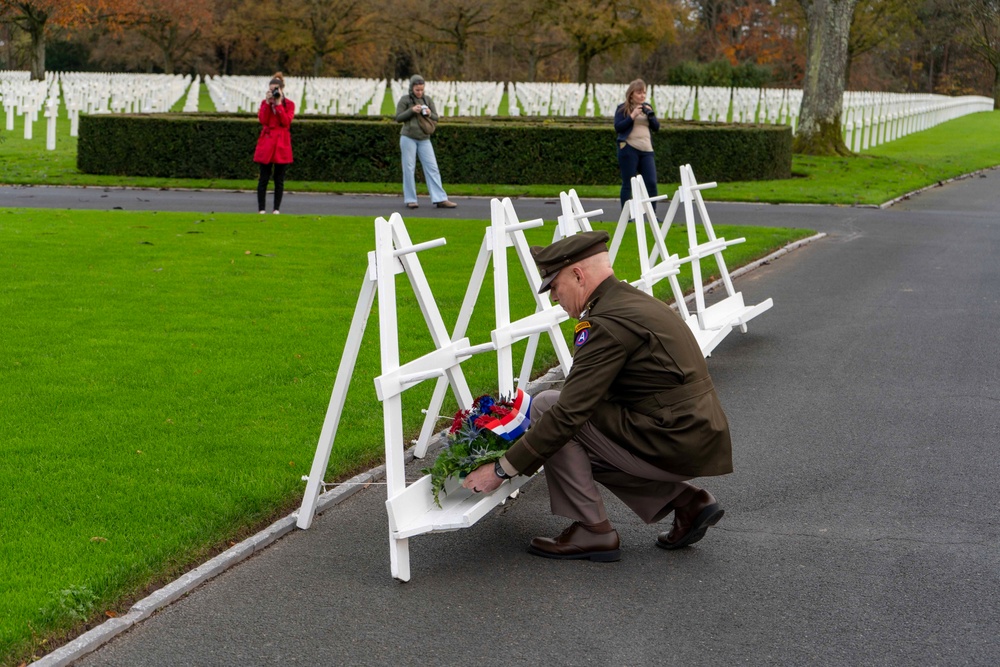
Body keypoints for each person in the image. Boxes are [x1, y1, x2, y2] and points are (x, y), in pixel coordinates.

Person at [462, 231, 732, 562]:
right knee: (568, 437)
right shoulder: (631, 300)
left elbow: (568, 414)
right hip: (693, 432)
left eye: (555, 286)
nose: (554, 298)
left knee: (552, 412)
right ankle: (686, 503)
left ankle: (593, 530)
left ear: (578, 275)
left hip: (675, 438)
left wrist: (502, 469)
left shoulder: (605, 322)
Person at [395, 74, 457, 210]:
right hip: (408, 138)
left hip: (424, 139)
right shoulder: (405, 100)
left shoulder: (427, 100)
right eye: (417, 90)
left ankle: (440, 199)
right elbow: (398, 118)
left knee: (432, 168)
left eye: (422, 89)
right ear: (412, 88)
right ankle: (411, 199)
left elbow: (436, 117)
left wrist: (428, 113)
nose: (419, 92)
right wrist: (411, 111)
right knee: (409, 168)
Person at [614, 79, 660, 212]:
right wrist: (632, 115)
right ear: (631, 94)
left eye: (644, 93)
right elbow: (618, 127)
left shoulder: (648, 108)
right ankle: (626, 216)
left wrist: (651, 116)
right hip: (629, 148)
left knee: (651, 183)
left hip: (646, 150)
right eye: (639, 93)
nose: (642, 96)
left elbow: (656, 128)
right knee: (628, 183)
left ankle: (652, 214)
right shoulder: (622, 109)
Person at [254, 72, 295, 214]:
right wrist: (267, 103)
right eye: (272, 90)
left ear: (282, 89)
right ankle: (261, 209)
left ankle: (276, 208)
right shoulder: (264, 103)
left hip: (281, 143)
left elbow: (286, 122)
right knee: (263, 178)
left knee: (279, 179)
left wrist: (278, 105)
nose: (274, 92)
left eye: (276, 89)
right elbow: (263, 120)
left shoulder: (289, 104)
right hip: (267, 142)